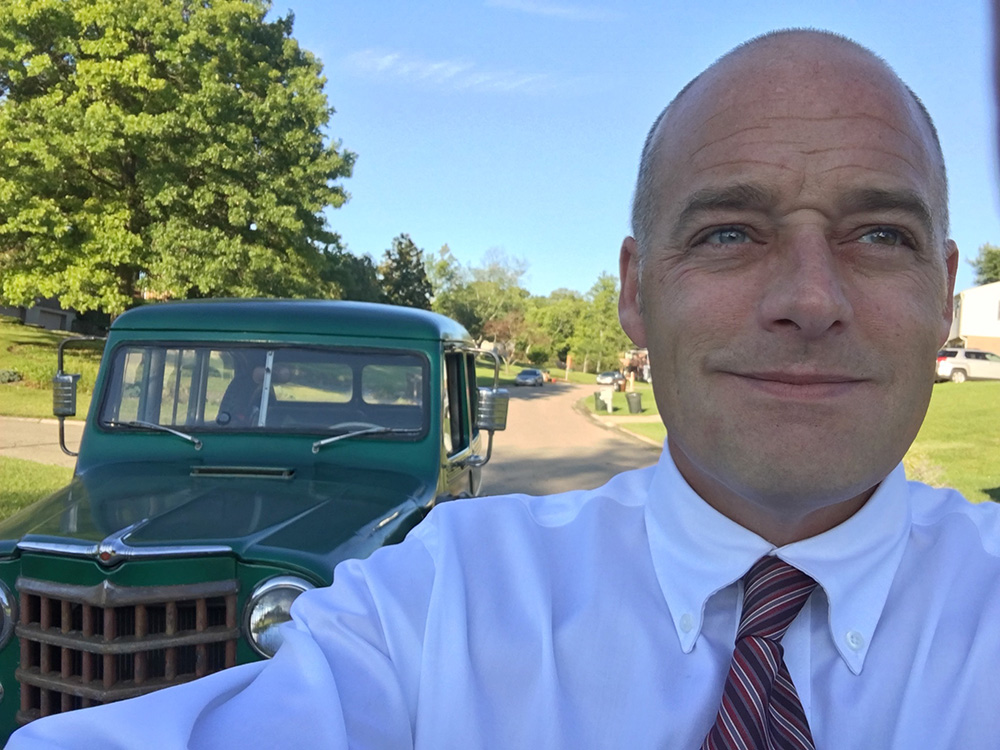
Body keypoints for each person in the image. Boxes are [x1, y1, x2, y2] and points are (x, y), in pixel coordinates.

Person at [10, 29, 1000, 749]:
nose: (809, 298)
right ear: (636, 291)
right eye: (729, 233)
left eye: (880, 235)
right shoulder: (436, 606)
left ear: (944, 294)